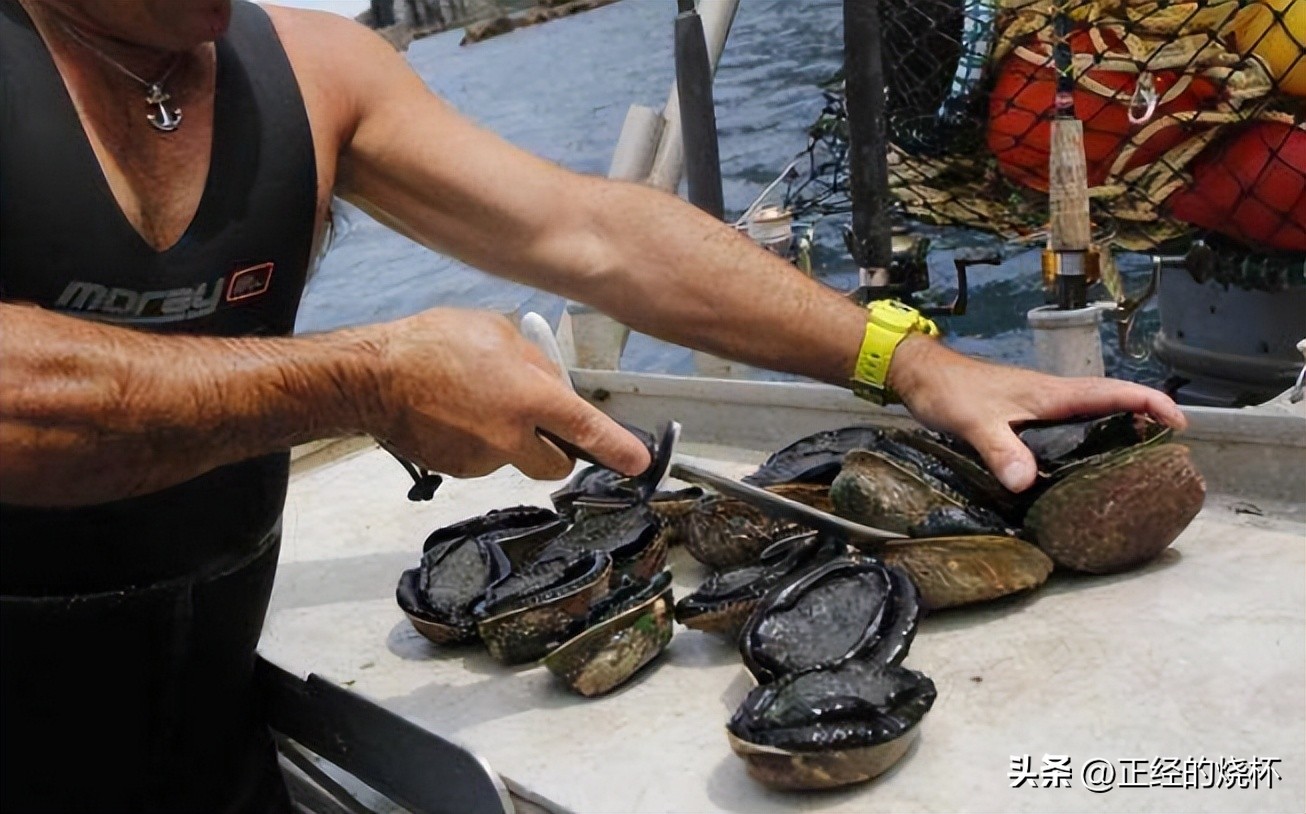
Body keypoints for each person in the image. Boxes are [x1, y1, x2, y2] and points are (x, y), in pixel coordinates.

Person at [0, 0, 1186, 810]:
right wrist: (364, 376)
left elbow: (594, 233)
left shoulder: (311, 71)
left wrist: (910, 359)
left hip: (213, 751)